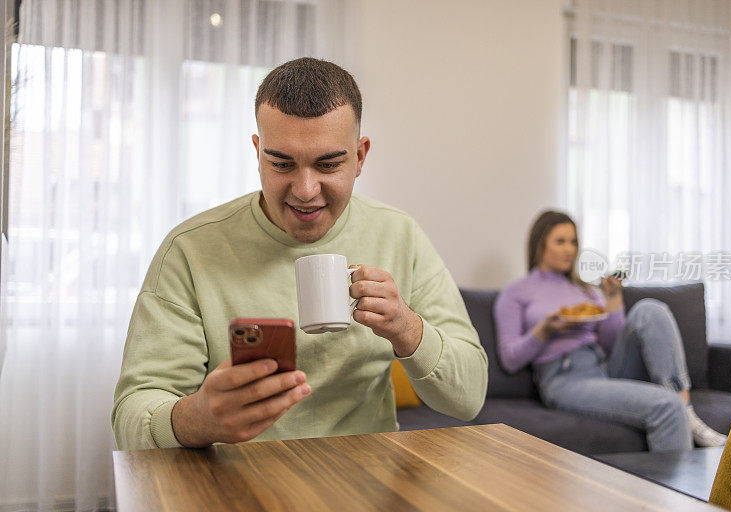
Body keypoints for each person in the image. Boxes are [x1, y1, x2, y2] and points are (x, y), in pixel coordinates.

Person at [112, 58, 488, 450]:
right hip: (234, 488)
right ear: (257, 153)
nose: (306, 190)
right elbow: (131, 417)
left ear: (360, 157)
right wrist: (197, 419)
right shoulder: (191, 250)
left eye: (328, 164)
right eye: (281, 163)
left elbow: (469, 398)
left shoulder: (399, 234)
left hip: (364, 484)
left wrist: (406, 328)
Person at [494, 211, 725, 451]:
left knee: (650, 309)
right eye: (560, 241)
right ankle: (674, 485)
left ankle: (686, 408)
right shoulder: (516, 293)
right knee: (666, 406)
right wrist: (544, 330)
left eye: (573, 242)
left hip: (604, 367)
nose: (569, 250)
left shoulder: (586, 291)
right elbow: (510, 359)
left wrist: (612, 297)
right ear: (539, 244)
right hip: (565, 379)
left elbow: (611, 343)